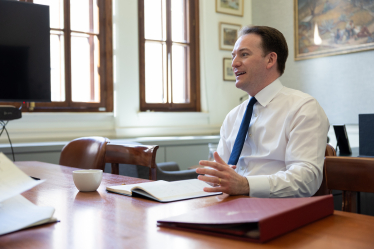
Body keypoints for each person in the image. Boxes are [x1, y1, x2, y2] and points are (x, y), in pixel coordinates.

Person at [196, 26, 329, 198]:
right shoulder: (233, 116)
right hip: (229, 207)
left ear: (270, 60)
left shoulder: (303, 108)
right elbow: (221, 171)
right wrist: (214, 177)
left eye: (244, 54)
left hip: (277, 211)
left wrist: (246, 185)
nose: (234, 63)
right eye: (233, 56)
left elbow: (306, 180)